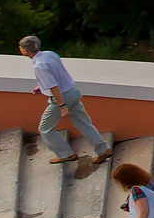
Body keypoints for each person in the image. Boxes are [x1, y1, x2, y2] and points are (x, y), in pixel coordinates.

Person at [19, 36, 107, 169]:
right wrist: (42, 87)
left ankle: (65, 154)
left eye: (21, 47)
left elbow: (54, 87)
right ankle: (103, 150)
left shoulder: (39, 66)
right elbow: (56, 75)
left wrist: (62, 107)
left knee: (45, 128)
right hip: (73, 91)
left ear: (25, 50)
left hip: (62, 97)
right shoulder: (50, 54)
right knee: (84, 124)